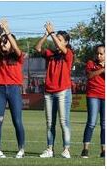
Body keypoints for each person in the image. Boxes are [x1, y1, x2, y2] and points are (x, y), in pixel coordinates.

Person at [35, 22, 74, 159]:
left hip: (63, 91)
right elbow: (38, 48)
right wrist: (46, 34)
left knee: (64, 122)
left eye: (60, 39)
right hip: (49, 92)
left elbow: (61, 48)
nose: (57, 41)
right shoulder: (50, 54)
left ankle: (66, 150)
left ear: (66, 42)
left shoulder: (68, 53)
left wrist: (52, 33)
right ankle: (49, 149)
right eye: (57, 39)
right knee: (50, 123)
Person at [0, 19, 25, 159]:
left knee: (17, 121)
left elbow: (17, 49)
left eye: (6, 42)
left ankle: (21, 149)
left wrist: (7, 32)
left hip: (14, 90)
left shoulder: (18, 57)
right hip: (0, 90)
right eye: (2, 42)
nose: (3, 44)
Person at [81, 44, 105, 158]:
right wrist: (103, 69)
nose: (99, 56)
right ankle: (85, 150)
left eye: (101, 54)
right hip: (93, 95)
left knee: (105, 124)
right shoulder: (91, 63)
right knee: (91, 123)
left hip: (106, 96)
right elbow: (90, 75)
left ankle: (104, 150)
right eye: (97, 53)